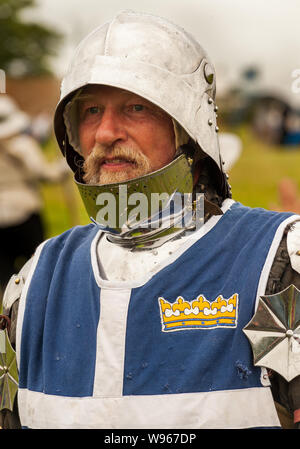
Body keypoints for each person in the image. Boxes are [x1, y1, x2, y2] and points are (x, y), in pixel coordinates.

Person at [1, 10, 300, 429]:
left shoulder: (281, 263)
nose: (105, 133)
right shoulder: (34, 280)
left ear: (187, 125)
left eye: (136, 106)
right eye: (90, 111)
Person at [0, 95, 69, 298]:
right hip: (25, 212)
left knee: (4, 273)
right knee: (35, 264)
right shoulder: (22, 145)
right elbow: (44, 174)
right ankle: (35, 303)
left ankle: (10, 312)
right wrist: (64, 167)